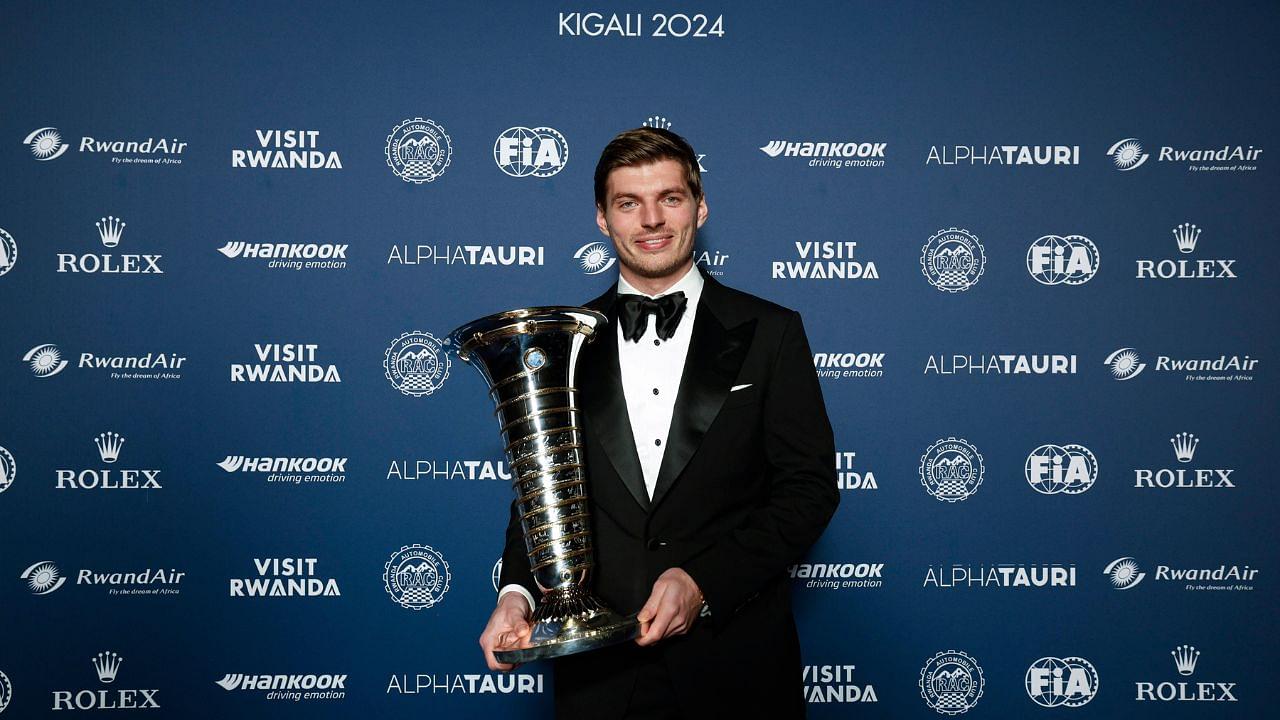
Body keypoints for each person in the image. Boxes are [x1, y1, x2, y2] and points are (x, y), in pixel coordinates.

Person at [480, 127, 839, 718]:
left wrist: (703, 582)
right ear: (602, 218)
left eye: (669, 198)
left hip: (738, 671)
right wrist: (518, 596)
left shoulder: (771, 332)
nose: (651, 219)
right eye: (628, 203)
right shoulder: (561, 342)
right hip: (601, 679)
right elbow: (542, 493)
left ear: (700, 206)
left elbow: (808, 492)